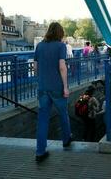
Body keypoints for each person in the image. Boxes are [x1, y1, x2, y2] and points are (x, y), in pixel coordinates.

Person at [33, 22, 72, 162]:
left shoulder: (40, 45)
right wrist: (66, 86)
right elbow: (62, 66)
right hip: (57, 87)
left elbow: (35, 66)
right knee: (63, 113)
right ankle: (66, 139)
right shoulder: (61, 46)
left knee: (42, 119)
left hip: (43, 87)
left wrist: (41, 79)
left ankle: (40, 152)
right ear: (60, 33)